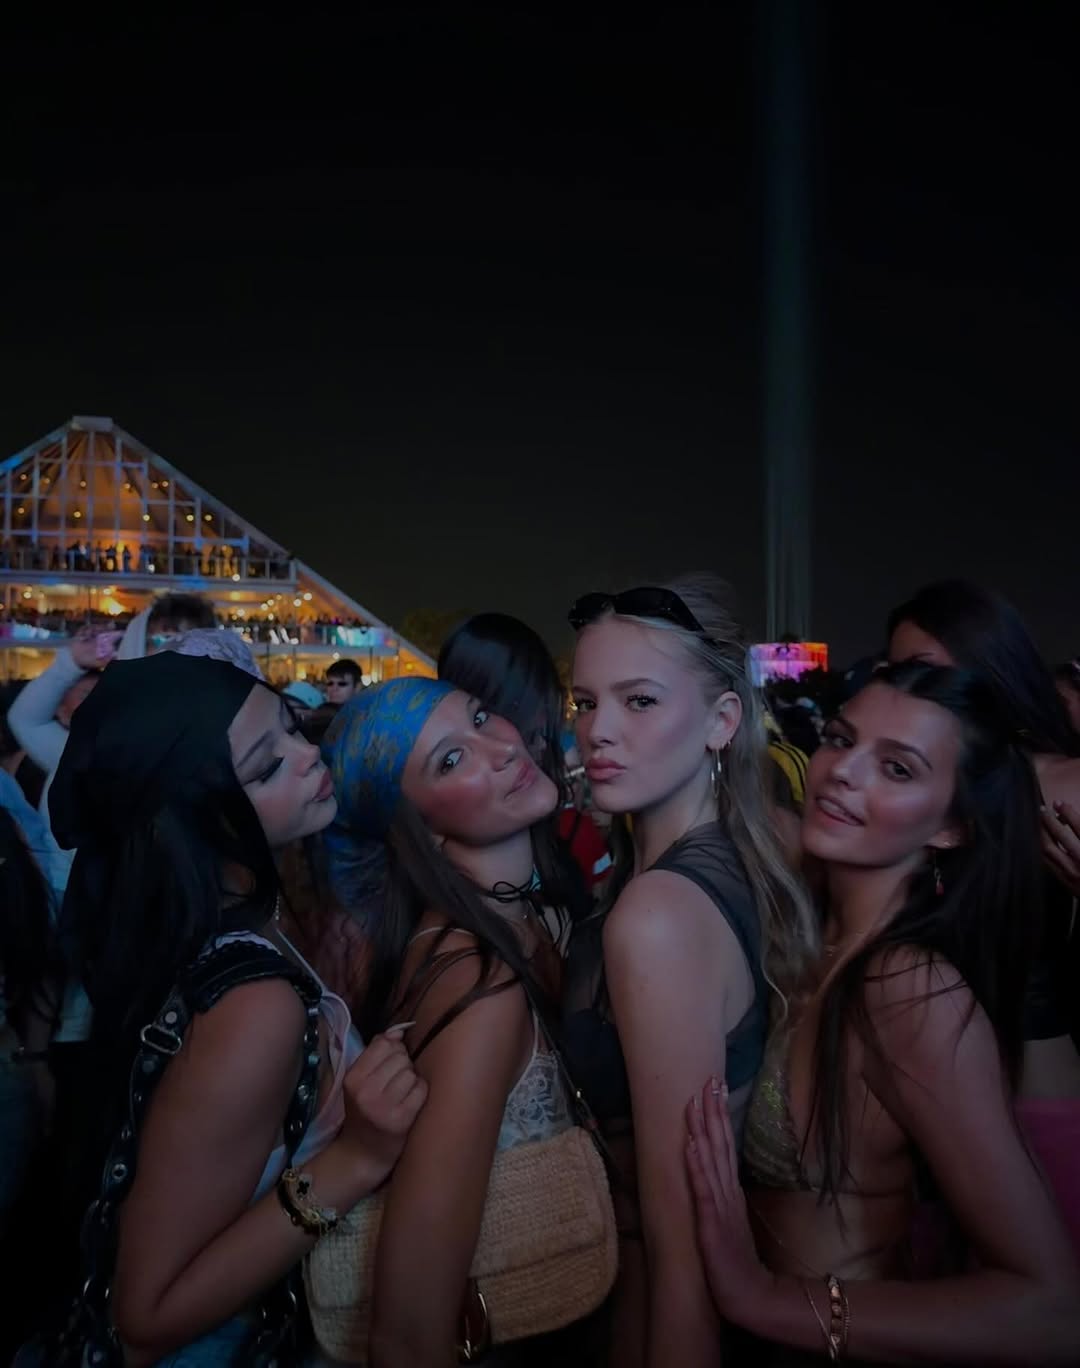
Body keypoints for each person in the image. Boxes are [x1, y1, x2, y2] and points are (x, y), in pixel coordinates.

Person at [31, 653, 425, 1363]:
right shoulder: (254, 1003)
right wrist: (356, 1161)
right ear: (197, 820)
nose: (309, 757)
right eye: (267, 767)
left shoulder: (234, 926)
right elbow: (145, 1317)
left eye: (295, 730)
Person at [687, 662, 1080, 1365]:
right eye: (841, 740)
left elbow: (1052, 1309)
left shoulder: (908, 988)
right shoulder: (810, 936)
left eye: (897, 770)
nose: (842, 772)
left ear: (953, 826)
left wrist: (759, 1297)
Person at [565, 575, 815, 1368]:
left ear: (721, 720)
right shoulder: (742, 850)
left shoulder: (660, 917)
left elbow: (684, 1253)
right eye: (583, 701)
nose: (598, 730)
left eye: (639, 701)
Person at [322, 677, 580, 1366]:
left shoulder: (524, 922)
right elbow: (408, 1330)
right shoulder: (476, 981)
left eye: (481, 716)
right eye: (450, 759)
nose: (500, 747)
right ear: (422, 831)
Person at [886, 579, 1080, 1250]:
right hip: (921, 1118)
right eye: (899, 674)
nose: (913, 695)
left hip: (1033, 1098)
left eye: (932, 675)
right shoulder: (906, 797)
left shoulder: (1062, 784)